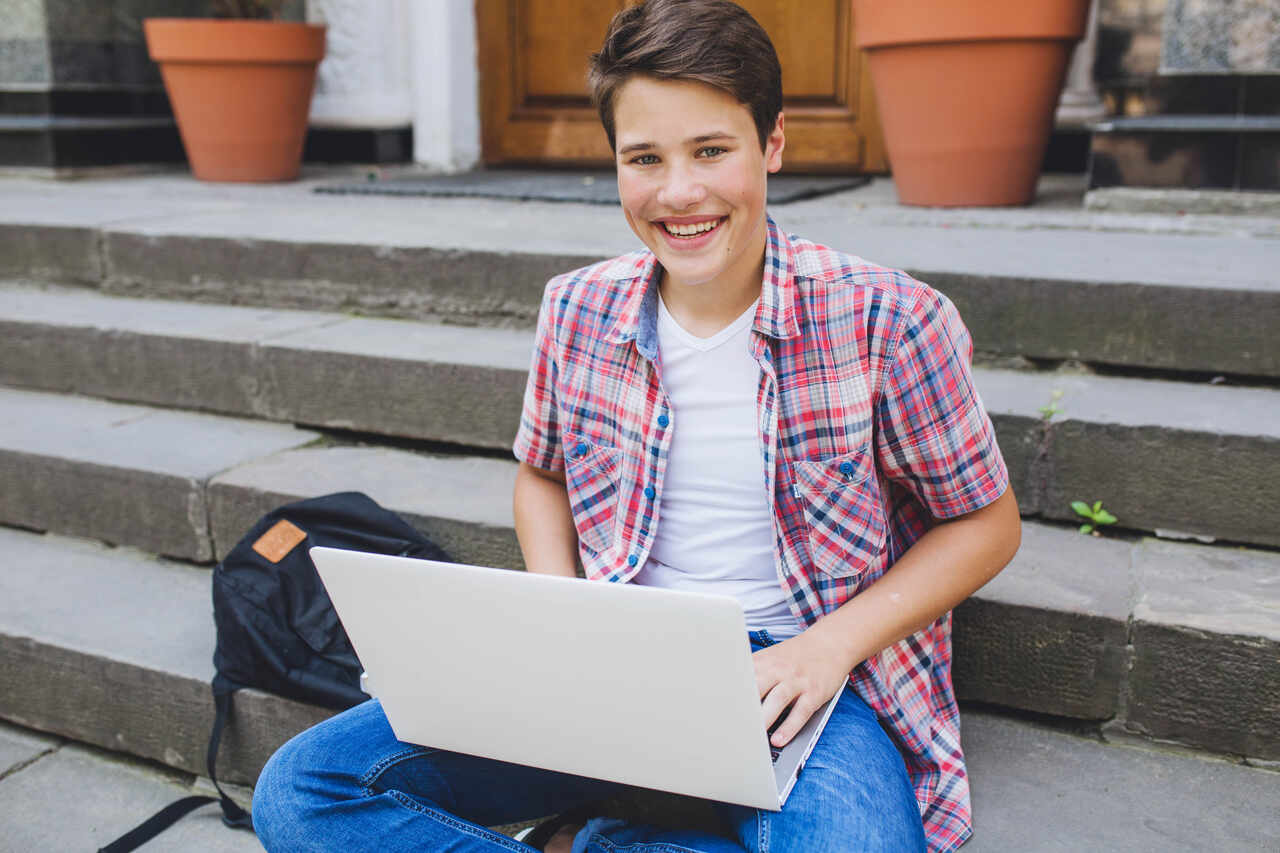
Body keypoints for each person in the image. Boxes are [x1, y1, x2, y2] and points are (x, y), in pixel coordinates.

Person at [251, 1, 1021, 851]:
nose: (679, 191)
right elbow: (542, 473)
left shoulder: (890, 318)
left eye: (712, 151)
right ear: (614, 161)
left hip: (800, 685)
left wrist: (827, 648)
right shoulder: (576, 308)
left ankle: (615, 837)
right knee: (303, 791)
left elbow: (987, 520)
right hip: (611, 662)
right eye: (644, 158)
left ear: (772, 145)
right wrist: (559, 603)